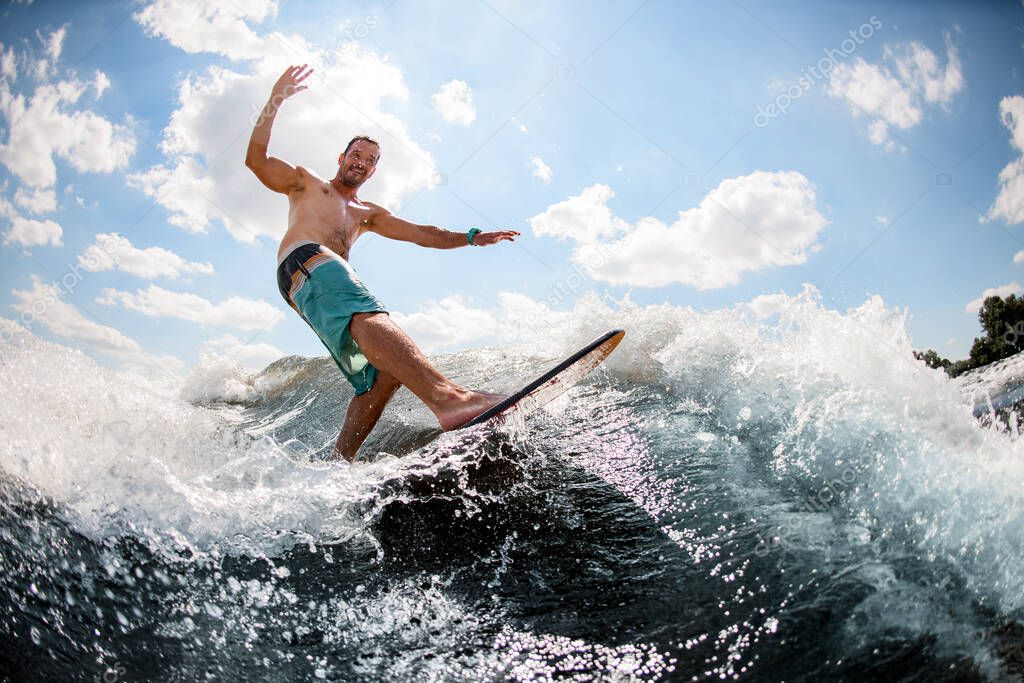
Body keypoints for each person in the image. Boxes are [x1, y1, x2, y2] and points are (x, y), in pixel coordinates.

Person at [244, 65, 519, 462]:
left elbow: (422, 233)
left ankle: (338, 463)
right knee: (364, 305)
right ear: (341, 157)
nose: (361, 161)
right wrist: (275, 99)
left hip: (311, 286)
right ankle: (450, 399)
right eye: (356, 154)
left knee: (383, 374)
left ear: (373, 170)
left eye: (370, 159)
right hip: (305, 261)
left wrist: (472, 238)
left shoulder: (367, 214)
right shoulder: (306, 183)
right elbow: (256, 160)